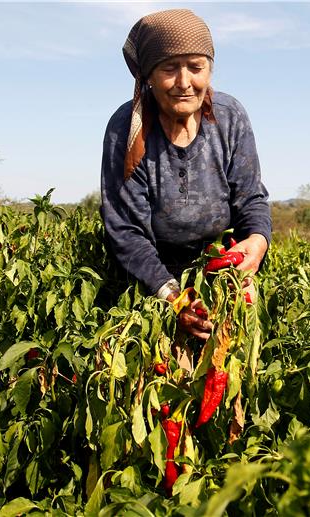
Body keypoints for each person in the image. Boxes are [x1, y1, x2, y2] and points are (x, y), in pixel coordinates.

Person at [100, 9, 271, 342]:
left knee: (232, 375)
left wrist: (258, 240)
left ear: (209, 70)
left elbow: (251, 196)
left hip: (224, 271)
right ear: (148, 75)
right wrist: (173, 297)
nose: (184, 82)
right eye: (169, 68)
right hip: (151, 281)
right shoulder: (127, 130)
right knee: (164, 382)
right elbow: (124, 230)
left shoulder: (229, 117)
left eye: (196, 67)